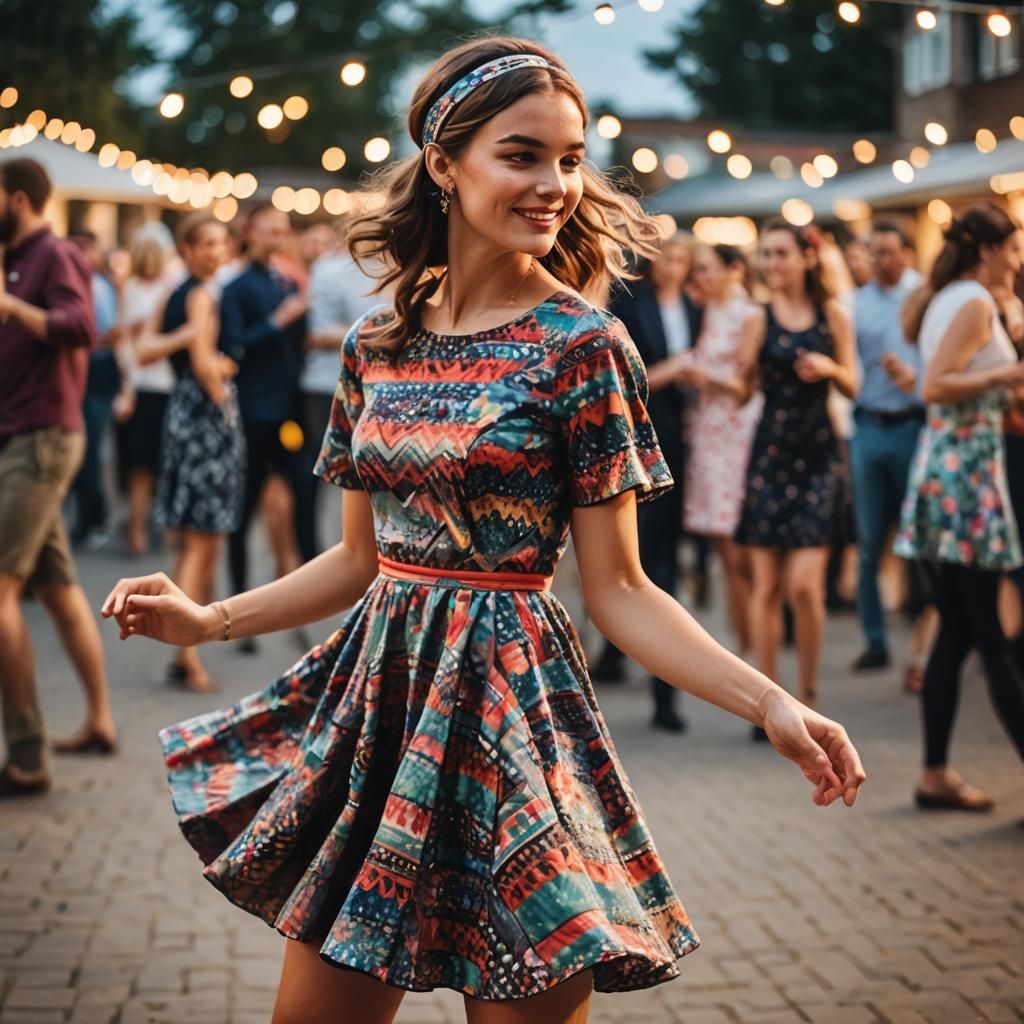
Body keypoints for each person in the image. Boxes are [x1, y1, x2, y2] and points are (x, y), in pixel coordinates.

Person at [103, 39, 865, 1024]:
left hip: (513, 718)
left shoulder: (581, 347)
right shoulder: (376, 342)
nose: (554, 184)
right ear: (443, 162)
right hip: (385, 712)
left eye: (570, 158)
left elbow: (621, 591)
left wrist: (770, 703)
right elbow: (353, 559)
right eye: (522, 154)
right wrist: (207, 619)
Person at [895, 204, 1024, 812]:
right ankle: (937, 774)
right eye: (1013, 247)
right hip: (964, 481)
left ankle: (934, 774)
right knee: (991, 640)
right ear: (987, 250)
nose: (1018, 259)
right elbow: (936, 385)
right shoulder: (971, 300)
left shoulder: (950, 295)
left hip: (948, 475)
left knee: (956, 635)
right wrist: (1012, 373)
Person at [0, 158, 118, 796]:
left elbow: (81, 328)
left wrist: (12, 306)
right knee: (56, 587)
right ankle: (100, 722)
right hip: (21, 434)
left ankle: (25, 758)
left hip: (43, 438)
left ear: (17, 199)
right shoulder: (15, 257)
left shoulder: (54, 254)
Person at [734, 220, 857, 735]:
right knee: (766, 587)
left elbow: (854, 386)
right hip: (769, 456)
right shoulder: (756, 319)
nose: (772, 264)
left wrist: (830, 369)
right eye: (765, 255)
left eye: (781, 253)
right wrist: (738, 370)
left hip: (819, 459)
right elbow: (742, 392)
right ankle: (769, 703)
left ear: (807, 258)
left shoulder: (832, 315)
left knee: (806, 587)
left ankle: (806, 696)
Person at [588, 233, 702, 733]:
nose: (674, 267)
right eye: (668, 259)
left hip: (683, 442)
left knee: (657, 562)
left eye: (682, 260)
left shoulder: (697, 310)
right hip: (635, 441)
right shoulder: (631, 307)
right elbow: (624, 377)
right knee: (638, 562)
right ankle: (650, 681)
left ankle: (654, 684)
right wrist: (672, 371)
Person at [140, 213, 245, 693]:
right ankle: (188, 655)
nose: (215, 252)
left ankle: (185, 649)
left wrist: (189, 346)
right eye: (206, 244)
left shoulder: (179, 290)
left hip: (181, 412)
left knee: (197, 539)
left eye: (221, 243)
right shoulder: (201, 294)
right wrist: (223, 383)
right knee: (202, 542)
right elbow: (205, 363)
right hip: (204, 416)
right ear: (186, 248)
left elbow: (143, 348)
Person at [219, 205, 308, 650]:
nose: (278, 236)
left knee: (292, 508)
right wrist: (278, 322)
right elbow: (234, 345)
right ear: (251, 233)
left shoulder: (287, 282)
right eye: (270, 229)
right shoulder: (237, 288)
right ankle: (239, 616)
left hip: (286, 410)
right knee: (244, 509)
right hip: (254, 411)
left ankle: (291, 607)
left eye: (282, 230)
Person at [849, 223, 927, 673]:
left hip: (914, 424)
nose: (879, 261)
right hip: (869, 426)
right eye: (874, 253)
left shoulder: (924, 296)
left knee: (917, 536)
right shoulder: (858, 303)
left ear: (907, 254)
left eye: (888, 252)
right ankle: (875, 640)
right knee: (869, 540)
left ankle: (925, 631)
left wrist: (912, 381)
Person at [684, 244, 762, 657]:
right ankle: (740, 640)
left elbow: (745, 385)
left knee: (741, 553)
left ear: (734, 270)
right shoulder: (702, 311)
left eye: (708, 269)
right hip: (708, 433)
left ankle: (752, 640)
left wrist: (705, 376)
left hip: (737, 434)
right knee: (723, 550)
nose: (702, 277)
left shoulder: (749, 314)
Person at [294, 222, 380, 560]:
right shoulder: (329, 270)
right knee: (322, 471)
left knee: (361, 472)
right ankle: (314, 553)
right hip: (327, 383)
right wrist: (378, 331)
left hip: (368, 383)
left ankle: (356, 553)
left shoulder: (394, 267)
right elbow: (315, 333)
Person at [114, 229, 178, 555]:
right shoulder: (158, 289)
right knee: (150, 465)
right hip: (156, 386)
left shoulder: (139, 288)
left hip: (151, 385)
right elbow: (126, 342)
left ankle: (143, 529)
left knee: (145, 466)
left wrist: (127, 384)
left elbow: (124, 344)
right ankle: (147, 528)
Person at [69, 230, 123, 550]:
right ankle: (86, 519)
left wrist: (77, 343)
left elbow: (111, 333)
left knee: (89, 451)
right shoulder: (83, 284)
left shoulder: (98, 287)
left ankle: (95, 519)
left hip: (97, 375)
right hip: (87, 375)